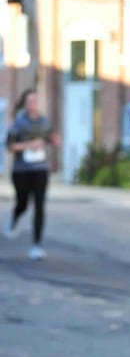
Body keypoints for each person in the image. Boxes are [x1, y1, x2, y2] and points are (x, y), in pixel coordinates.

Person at [4, 88, 60, 260]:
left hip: (40, 169)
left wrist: (55, 140)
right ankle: (14, 218)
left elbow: (51, 138)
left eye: (36, 101)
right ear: (25, 104)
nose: (33, 104)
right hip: (21, 171)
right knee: (23, 203)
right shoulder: (19, 123)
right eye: (30, 101)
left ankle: (37, 246)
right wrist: (30, 145)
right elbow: (10, 146)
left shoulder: (44, 122)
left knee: (39, 205)